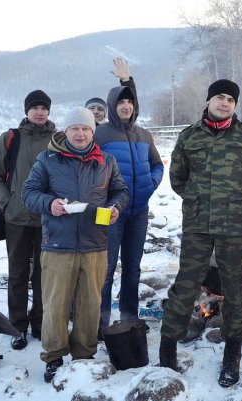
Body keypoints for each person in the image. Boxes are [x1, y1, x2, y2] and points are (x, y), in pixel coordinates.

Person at [158, 79, 242, 388]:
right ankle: (167, 348)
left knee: (234, 288)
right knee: (186, 283)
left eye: (230, 100)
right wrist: (198, 198)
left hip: (234, 226)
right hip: (198, 223)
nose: (224, 103)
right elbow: (178, 178)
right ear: (209, 100)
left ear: (235, 106)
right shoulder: (189, 136)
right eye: (219, 97)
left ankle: (231, 353)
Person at [21, 107, 128, 382]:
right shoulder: (47, 160)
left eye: (85, 129)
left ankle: (84, 355)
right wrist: (50, 204)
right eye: (74, 129)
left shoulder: (106, 161)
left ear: (92, 131)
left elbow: (120, 191)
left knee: (90, 303)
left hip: (95, 244)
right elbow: (28, 193)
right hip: (58, 244)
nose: (80, 134)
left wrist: (116, 207)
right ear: (65, 132)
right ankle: (54, 356)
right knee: (55, 304)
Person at [0, 89, 56, 350]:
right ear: (27, 111)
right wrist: (8, 202)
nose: (39, 112)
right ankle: (18, 325)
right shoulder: (10, 138)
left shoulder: (58, 139)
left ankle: (40, 322)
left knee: (44, 274)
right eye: (35, 107)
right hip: (16, 218)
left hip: (49, 218)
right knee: (17, 273)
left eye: (44, 107)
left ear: (49, 111)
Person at [94, 74, 164, 334]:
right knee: (105, 267)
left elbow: (157, 164)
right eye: (121, 102)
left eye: (130, 102)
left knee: (132, 266)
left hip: (138, 212)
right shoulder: (100, 134)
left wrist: (150, 184)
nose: (126, 106)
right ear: (113, 106)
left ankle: (129, 318)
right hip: (108, 212)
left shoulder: (144, 135)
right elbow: (89, 170)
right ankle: (100, 322)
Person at [85, 57, 137, 126]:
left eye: (100, 109)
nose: (95, 112)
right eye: (92, 108)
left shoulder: (107, 130)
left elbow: (131, 115)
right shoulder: (75, 132)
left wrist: (127, 81)